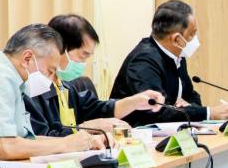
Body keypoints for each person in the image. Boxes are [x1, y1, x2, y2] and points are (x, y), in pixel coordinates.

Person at [0, 24, 106, 166]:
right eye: (50, 71)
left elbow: (26, 141)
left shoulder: (14, 80)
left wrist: (79, 142)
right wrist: (65, 144)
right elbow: (5, 147)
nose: (51, 79)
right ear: (27, 58)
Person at [24, 14, 163, 138]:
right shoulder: (34, 88)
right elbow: (42, 138)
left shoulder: (65, 87)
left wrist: (135, 102)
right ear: (60, 48)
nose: (83, 64)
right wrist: (87, 128)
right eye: (83, 55)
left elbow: (98, 110)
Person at [110, 0, 228, 126]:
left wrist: (188, 108)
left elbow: (192, 97)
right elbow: (157, 111)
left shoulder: (177, 55)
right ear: (176, 40)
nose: (195, 39)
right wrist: (209, 113)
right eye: (192, 34)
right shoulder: (143, 61)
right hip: (135, 134)